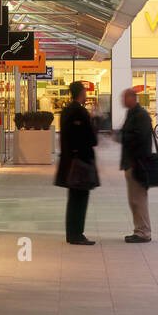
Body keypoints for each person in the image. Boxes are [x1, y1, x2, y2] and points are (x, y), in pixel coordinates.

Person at [54, 81, 98, 245]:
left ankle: (72, 233)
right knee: (80, 198)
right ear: (81, 93)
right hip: (81, 162)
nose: (86, 94)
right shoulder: (80, 112)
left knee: (73, 198)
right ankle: (76, 234)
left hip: (69, 161)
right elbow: (91, 139)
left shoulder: (66, 111)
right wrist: (94, 122)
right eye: (85, 91)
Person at [119, 86, 154, 243]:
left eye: (125, 97)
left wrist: (123, 137)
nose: (122, 101)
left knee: (138, 198)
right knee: (134, 200)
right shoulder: (132, 113)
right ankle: (139, 229)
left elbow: (139, 138)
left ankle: (143, 232)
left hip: (138, 163)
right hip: (131, 162)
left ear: (133, 98)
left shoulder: (141, 115)